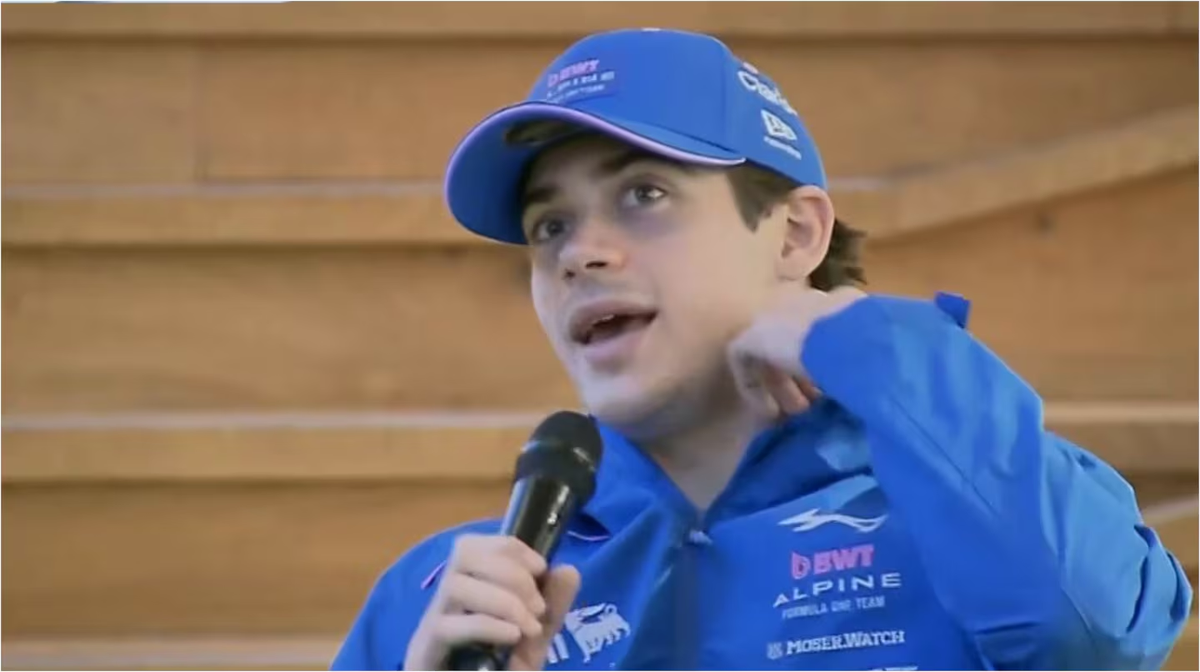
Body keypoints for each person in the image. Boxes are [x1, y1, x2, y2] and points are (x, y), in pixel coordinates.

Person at [332, 28, 1192, 671]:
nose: (577, 253)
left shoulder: (980, 509)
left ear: (795, 236)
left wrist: (865, 345)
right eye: (549, 225)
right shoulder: (448, 600)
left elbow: (1086, 636)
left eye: (644, 194)